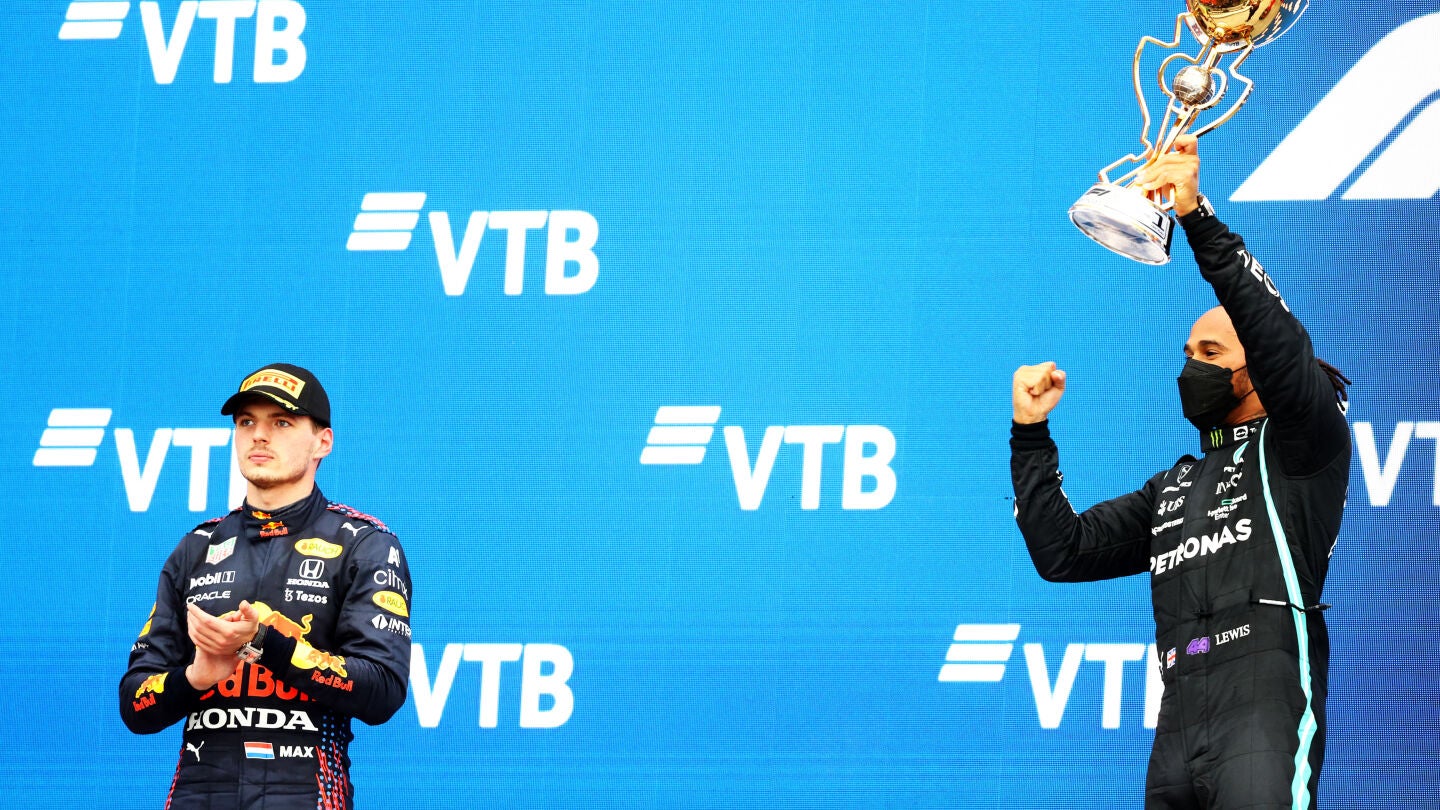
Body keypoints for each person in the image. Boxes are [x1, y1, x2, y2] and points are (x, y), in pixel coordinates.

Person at [1009, 136, 1350, 810]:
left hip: (1262, 706)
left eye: (1210, 353)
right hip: (1177, 722)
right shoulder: (1174, 487)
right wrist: (1030, 434)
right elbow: (1062, 551)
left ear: (1256, 369)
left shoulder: (1302, 446)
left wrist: (1195, 217)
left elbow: (1276, 335)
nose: (1191, 366)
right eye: (1188, 353)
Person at [120, 363, 413, 810]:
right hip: (196, 798)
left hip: (307, 798)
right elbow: (135, 706)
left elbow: (383, 691)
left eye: (281, 422)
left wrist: (265, 643)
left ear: (323, 442)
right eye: (246, 422)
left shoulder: (363, 543)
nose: (259, 435)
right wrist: (196, 677)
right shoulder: (197, 547)